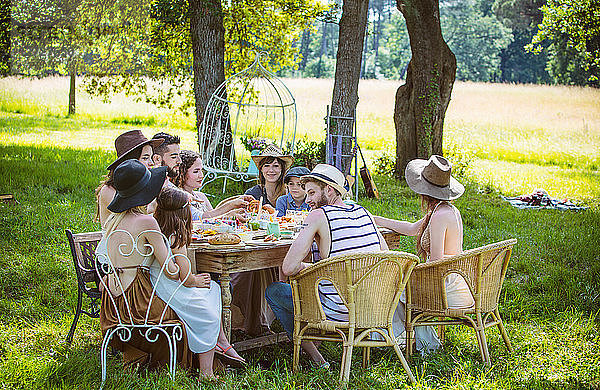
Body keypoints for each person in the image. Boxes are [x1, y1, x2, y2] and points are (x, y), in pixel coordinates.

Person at [96, 159, 220, 377]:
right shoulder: (147, 222)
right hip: (140, 304)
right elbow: (171, 271)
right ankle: (207, 369)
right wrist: (180, 254)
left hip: (113, 305)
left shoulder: (114, 221)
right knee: (200, 305)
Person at [265, 164, 388, 368]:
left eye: (312, 192)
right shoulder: (363, 211)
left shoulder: (319, 215)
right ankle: (319, 346)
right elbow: (385, 256)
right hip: (374, 308)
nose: (308, 200)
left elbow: (288, 267)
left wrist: (314, 267)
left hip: (339, 311)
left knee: (275, 291)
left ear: (329, 190)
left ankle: (315, 356)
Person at [373, 155, 474, 353]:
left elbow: (435, 263)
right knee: (398, 284)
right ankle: (412, 340)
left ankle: (396, 339)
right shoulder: (443, 210)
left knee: (392, 285)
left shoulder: (439, 216)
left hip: (446, 286)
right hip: (452, 279)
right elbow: (412, 229)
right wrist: (377, 219)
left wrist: (410, 270)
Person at [153, 186, 246, 367]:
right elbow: (185, 278)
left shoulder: (159, 232)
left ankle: (220, 343)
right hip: (173, 290)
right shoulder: (176, 238)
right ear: (183, 213)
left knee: (214, 289)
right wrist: (196, 280)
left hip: (159, 285)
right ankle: (207, 370)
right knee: (210, 304)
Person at [230, 144, 294, 336]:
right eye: (267, 166)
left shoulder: (289, 192)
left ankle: (263, 319)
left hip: (283, 244)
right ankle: (249, 320)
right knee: (248, 271)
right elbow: (245, 218)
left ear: (282, 169)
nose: (271, 170)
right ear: (261, 169)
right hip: (258, 240)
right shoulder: (255, 193)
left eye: (276, 166)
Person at [95, 130, 164, 227]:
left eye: (151, 157)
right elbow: (131, 224)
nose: (151, 163)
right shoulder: (109, 191)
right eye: (145, 158)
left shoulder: (141, 185)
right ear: (130, 162)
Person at [175, 149, 251, 221]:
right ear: (182, 173)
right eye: (196, 171)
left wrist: (237, 199)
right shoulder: (180, 198)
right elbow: (205, 218)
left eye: (201, 170)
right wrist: (232, 205)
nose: (201, 175)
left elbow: (214, 212)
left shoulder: (200, 196)